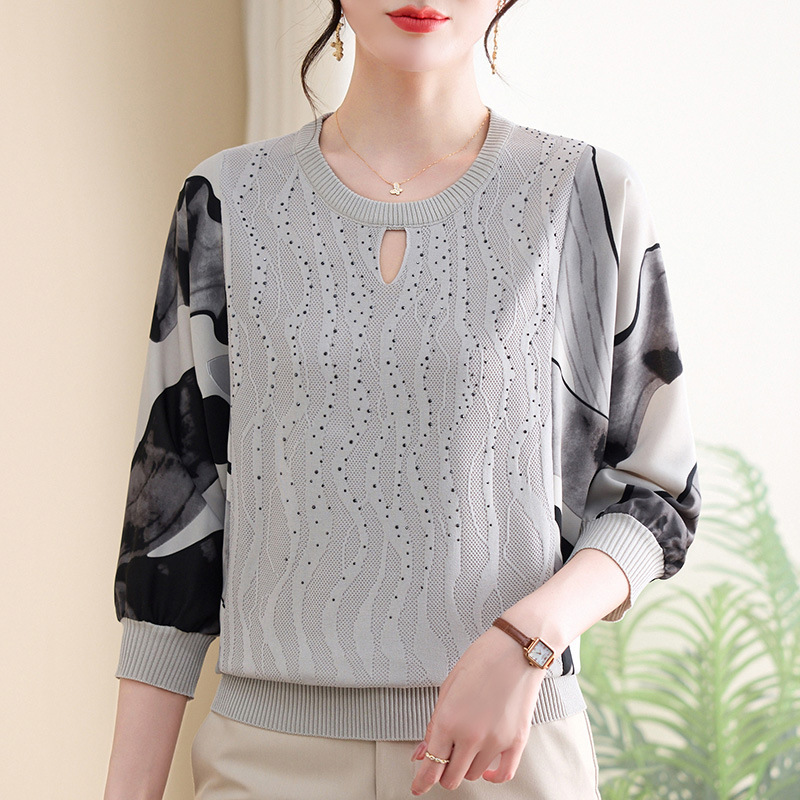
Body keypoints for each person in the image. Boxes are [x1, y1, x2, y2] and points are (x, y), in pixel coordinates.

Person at [104, 1, 701, 798]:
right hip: (266, 763)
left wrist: (530, 636)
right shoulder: (224, 200)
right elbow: (171, 533)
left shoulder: (587, 195)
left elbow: (657, 497)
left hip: (509, 756)